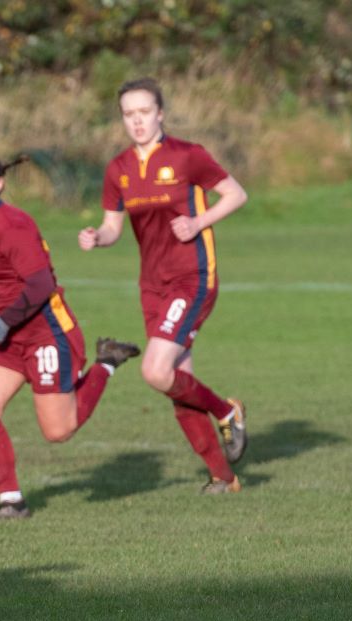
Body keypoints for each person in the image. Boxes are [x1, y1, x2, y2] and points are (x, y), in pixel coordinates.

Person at [0, 149, 140, 519]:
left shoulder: (12, 224)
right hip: (9, 337)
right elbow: (1, 279)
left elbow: (40, 283)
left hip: (46, 334)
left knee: (58, 431)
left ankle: (107, 362)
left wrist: (3, 322)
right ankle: (11, 501)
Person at [79, 78, 249, 494]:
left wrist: (198, 222)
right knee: (177, 382)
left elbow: (235, 194)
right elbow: (112, 226)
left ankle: (227, 412)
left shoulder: (187, 156)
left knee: (155, 370)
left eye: (144, 112)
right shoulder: (118, 169)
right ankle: (223, 478)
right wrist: (97, 237)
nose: (136, 121)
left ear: (160, 114)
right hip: (152, 284)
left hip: (192, 276)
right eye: (128, 114)